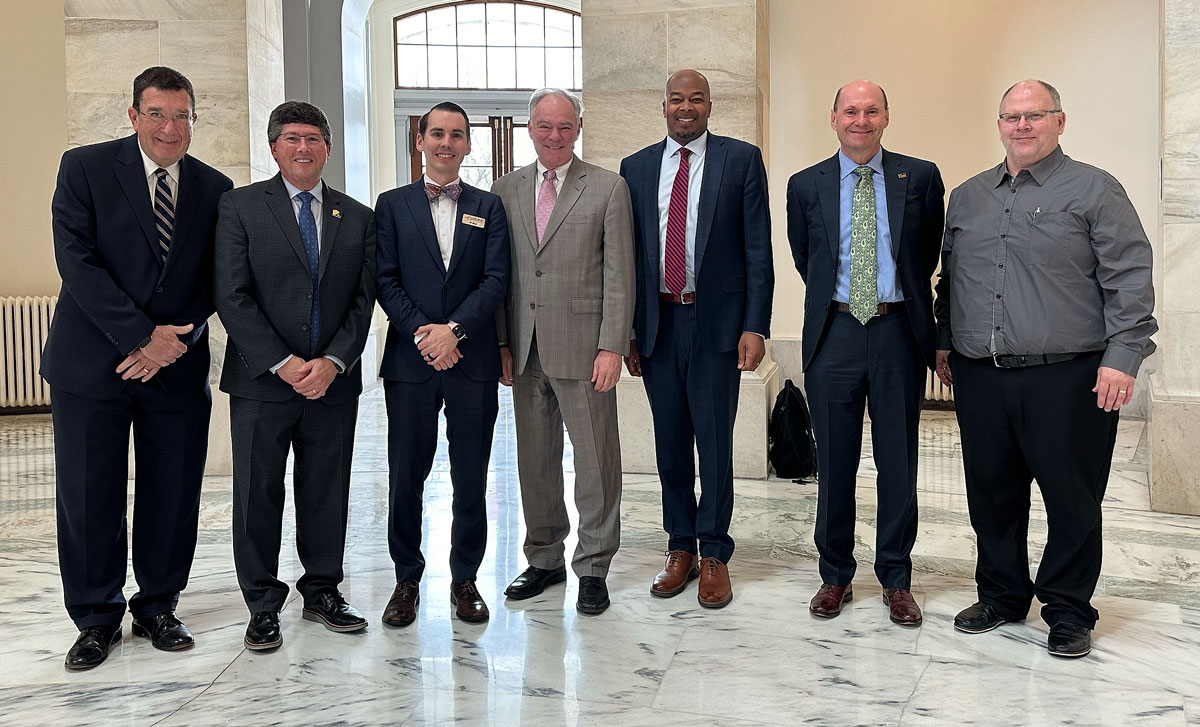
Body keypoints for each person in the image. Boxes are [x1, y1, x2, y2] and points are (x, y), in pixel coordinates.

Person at [934, 79, 1157, 658]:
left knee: (1072, 498)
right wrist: (944, 344)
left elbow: (1128, 276)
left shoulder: (1095, 189)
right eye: (1012, 117)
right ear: (999, 123)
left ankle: (1067, 609)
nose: (1023, 126)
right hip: (981, 374)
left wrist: (1123, 356)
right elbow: (949, 280)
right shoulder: (968, 196)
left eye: (1036, 116)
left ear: (1060, 121)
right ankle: (1003, 596)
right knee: (991, 494)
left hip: (1070, 375)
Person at [44, 66, 232, 670]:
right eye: (157, 113)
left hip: (175, 364)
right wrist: (139, 337)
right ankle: (96, 617)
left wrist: (173, 340)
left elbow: (219, 277)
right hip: (91, 364)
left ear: (194, 119)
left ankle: (158, 606)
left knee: (172, 490)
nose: (170, 127)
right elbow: (77, 261)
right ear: (132, 115)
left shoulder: (216, 186)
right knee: (89, 491)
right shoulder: (85, 168)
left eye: (182, 115)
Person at [214, 101, 376, 651]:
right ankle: (262, 601)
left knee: (327, 488)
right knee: (258, 491)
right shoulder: (239, 207)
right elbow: (230, 295)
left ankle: (324, 589)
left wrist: (333, 362)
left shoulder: (356, 216)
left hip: (331, 383)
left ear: (328, 146)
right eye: (290, 138)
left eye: (313, 137)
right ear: (273, 146)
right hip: (263, 381)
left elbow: (362, 300)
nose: (302, 147)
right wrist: (283, 363)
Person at [786, 80, 944, 626]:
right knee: (834, 463)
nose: (860, 119)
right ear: (833, 118)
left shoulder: (920, 177)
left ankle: (896, 579)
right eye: (850, 110)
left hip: (898, 330)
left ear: (886, 116)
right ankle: (835, 575)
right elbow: (809, 260)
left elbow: (926, 257)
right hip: (835, 332)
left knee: (899, 460)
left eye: (870, 110)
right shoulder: (805, 185)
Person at [619, 69, 773, 608]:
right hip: (658, 325)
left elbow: (758, 250)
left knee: (714, 442)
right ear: (662, 107)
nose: (686, 107)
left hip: (717, 329)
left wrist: (755, 325)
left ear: (710, 106)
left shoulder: (740, 159)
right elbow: (628, 259)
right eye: (676, 99)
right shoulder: (635, 168)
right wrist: (629, 333)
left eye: (697, 99)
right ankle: (679, 545)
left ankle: (714, 552)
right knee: (670, 443)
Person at [492, 88, 635, 616]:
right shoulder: (504, 190)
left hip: (584, 349)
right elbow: (499, 273)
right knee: (535, 462)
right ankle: (545, 557)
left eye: (565, 126)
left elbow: (621, 276)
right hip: (524, 350)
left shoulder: (607, 188)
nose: (555, 136)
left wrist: (611, 346)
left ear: (579, 127)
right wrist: (502, 343)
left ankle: (594, 564)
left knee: (596, 461)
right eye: (545, 126)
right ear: (530, 127)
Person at [373, 102, 510, 627]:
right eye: (437, 134)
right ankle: (406, 578)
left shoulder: (488, 206)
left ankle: (465, 579)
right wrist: (424, 334)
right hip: (411, 363)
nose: (446, 143)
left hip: (471, 359)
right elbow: (386, 279)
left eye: (456, 135)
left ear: (468, 144)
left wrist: (454, 332)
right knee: (406, 475)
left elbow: (495, 280)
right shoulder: (392, 205)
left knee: (471, 476)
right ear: (420, 141)